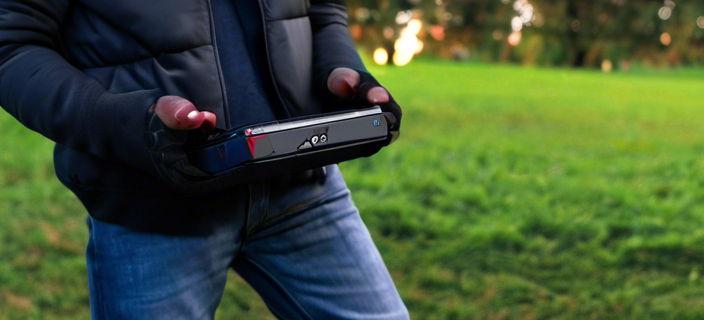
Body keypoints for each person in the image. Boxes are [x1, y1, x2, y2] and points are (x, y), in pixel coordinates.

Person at [0, 0, 408, 319]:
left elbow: (323, 9)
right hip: (151, 207)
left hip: (303, 187)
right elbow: (11, 45)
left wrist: (341, 70)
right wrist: (128, 123)